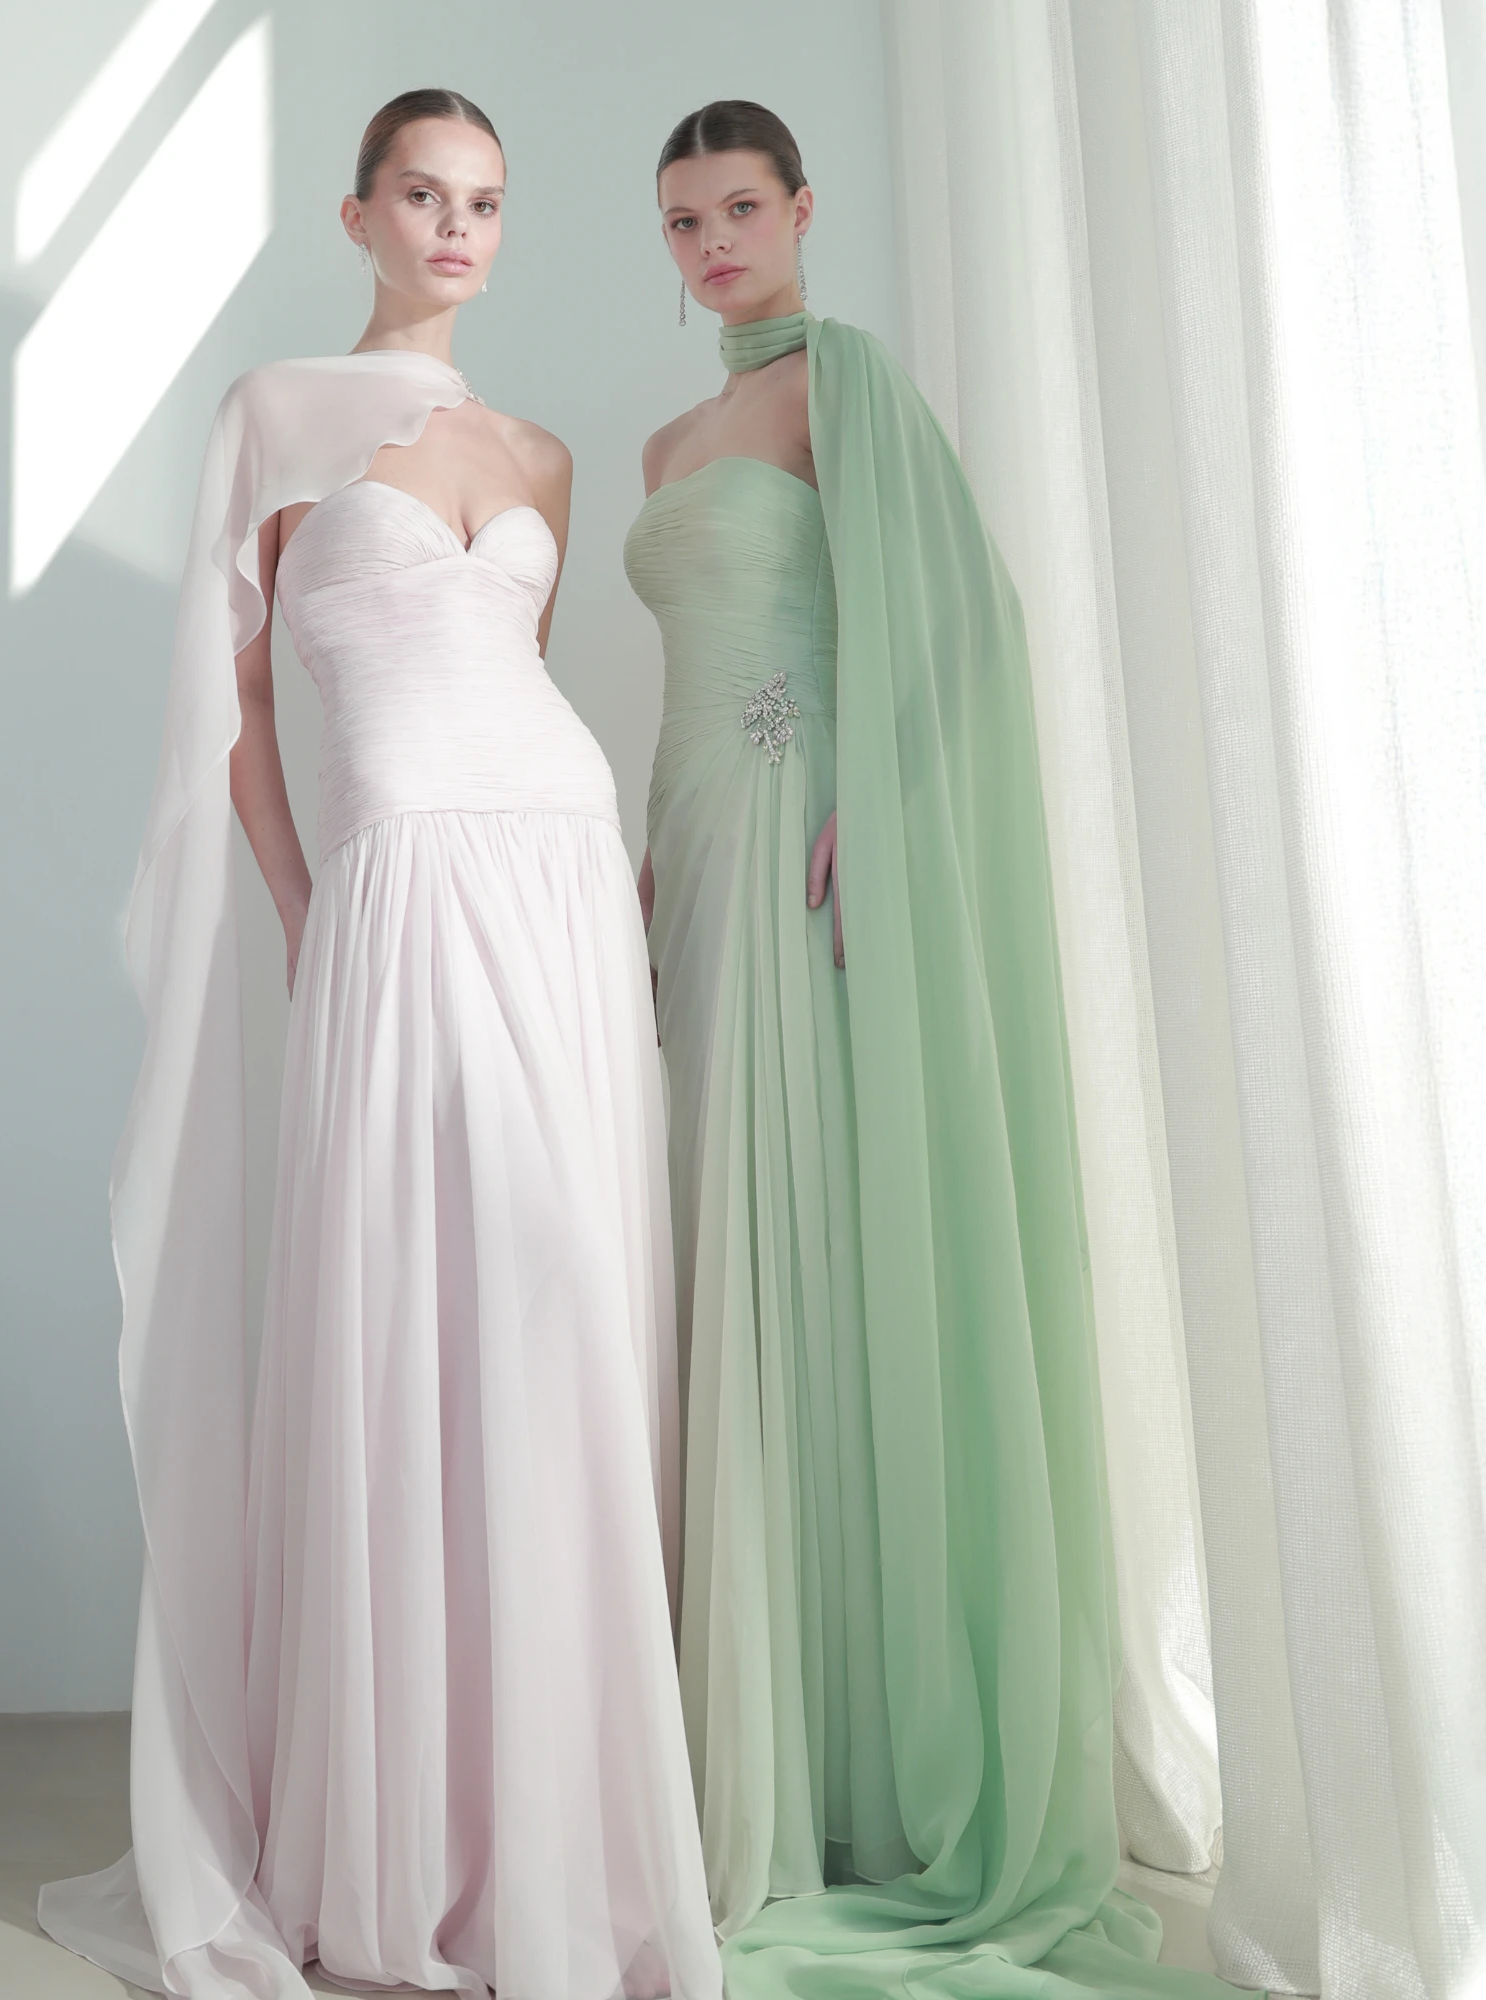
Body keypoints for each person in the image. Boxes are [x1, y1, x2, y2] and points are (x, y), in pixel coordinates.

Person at [41, 89, 720, 2000]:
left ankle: (553, 1828)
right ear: (359, 215)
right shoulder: (275, 412)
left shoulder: (545, 454)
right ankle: (402, 1834)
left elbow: (523, 675)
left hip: (560, 869)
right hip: (398, 876)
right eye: (422, 194)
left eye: (485, 201)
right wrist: (302, 898)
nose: (456, 227)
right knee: (430, 1302)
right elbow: (241, 708)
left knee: (566, 1312)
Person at [625, 99, 1259, 2000]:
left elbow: (965, 625)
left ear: (803, 210)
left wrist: (868, 806)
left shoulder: (847, 384)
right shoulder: (666, 444)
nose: (716, 244)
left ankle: (859, 1774)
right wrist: (650, 852)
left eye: (742, 208)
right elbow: (687, 665)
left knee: (817, 1247)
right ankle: (748, 1736)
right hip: (693, 847)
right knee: (716, 1256)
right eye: (685, 220)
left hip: (800, 831)